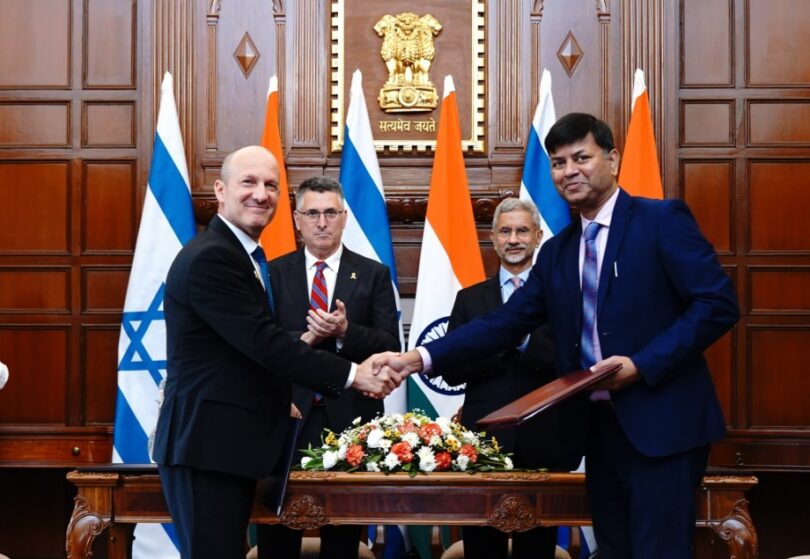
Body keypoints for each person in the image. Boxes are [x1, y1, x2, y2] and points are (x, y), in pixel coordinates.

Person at [378, 113, 739, 559]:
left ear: (613, 158)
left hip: (661, 425)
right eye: (558, 163)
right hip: (595, 430)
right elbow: (505, 324)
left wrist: (642, 364)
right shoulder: (558, 251)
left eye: (581, 157)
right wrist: (416, 359)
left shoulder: (660, 221)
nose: (569, 171)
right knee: (616, 549)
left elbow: (717, 304)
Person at [152, 145, 399, 559]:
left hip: (226, 445)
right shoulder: (214, 257)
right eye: (248, 182)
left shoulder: (244, 256)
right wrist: (355, 374)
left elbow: (246, 352)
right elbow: (265, 343)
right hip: (207, 445)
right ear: (220, 189)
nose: (260, 194)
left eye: (270, 185)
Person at [257, 176, 400, 559]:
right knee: (277, 531)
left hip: (351, 419)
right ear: (297, 220)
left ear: (344, 217)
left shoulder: (372, 273)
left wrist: (345, 332)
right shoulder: (271, 273)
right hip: (287, 413)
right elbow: (257, 341)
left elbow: (391, 344)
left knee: (344, 534)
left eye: (330, 213)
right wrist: (304, 337)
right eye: (313, 213)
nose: (322, 222)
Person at [443, 198, 580, 559]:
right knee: (481, 549)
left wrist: (522, 343)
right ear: (493, 238)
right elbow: (452, 368)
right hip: (484, 443)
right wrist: (499, 344)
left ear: (537, 236)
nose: (514, 239)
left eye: (522, 231)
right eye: (505, 231)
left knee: (536, 550)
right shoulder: (469, 300)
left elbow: (573, 364)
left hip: (545, 440)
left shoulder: (562, 298)